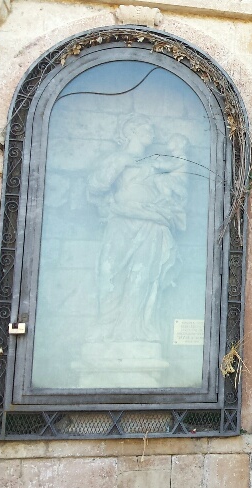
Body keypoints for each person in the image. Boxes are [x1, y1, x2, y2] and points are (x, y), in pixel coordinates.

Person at [87, 115, 188, 343]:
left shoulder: (153, 163)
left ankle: (136, 329)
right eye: (146, 128)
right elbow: (97, 187)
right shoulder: (118, 159)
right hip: (121, 222)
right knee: (109, 272)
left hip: (151, 224)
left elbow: (178, 183)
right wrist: (119, 163)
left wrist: (181, 153)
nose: (151, 132)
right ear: (131, 131)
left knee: (143, 277)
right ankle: (106, 325)